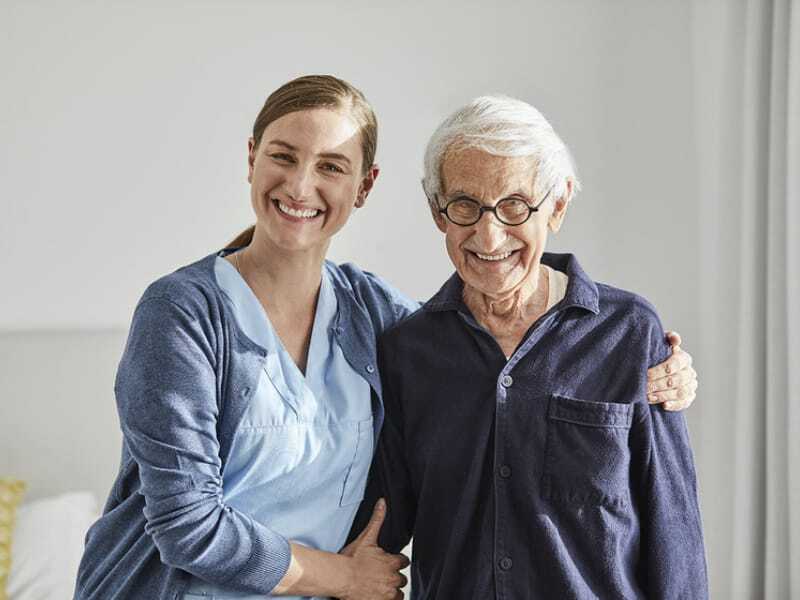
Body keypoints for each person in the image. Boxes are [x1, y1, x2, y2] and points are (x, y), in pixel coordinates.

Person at [74, 76, 698, 600]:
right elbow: (187, 523)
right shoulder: (184, 312)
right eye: (283, 157)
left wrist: (668, 371)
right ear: (252, 158)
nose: (299, 187)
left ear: (363, 186)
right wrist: (344, 577)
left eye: (331, 167)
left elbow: (481, 336)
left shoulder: (375, 313)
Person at [357, 95, 707, 598]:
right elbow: (381, 524)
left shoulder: (629, 333)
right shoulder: (407, 351)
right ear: (439, 213)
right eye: (465, 206)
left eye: (514, 205)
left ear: (557, 205)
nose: (490, 233)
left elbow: (673, 531)